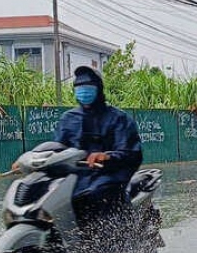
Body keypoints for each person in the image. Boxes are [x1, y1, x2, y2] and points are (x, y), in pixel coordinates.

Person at [53, 65, 143, 230]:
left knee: (94, 194)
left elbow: (131, 153)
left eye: (88, 88)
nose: (83, 92)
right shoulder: (68, 119)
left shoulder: (118, 118)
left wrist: (107, 156)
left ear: (99, 89)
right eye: (79, 88)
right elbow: (56, 148)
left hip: (108, 175)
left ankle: (109, 243)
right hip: (76, 176)